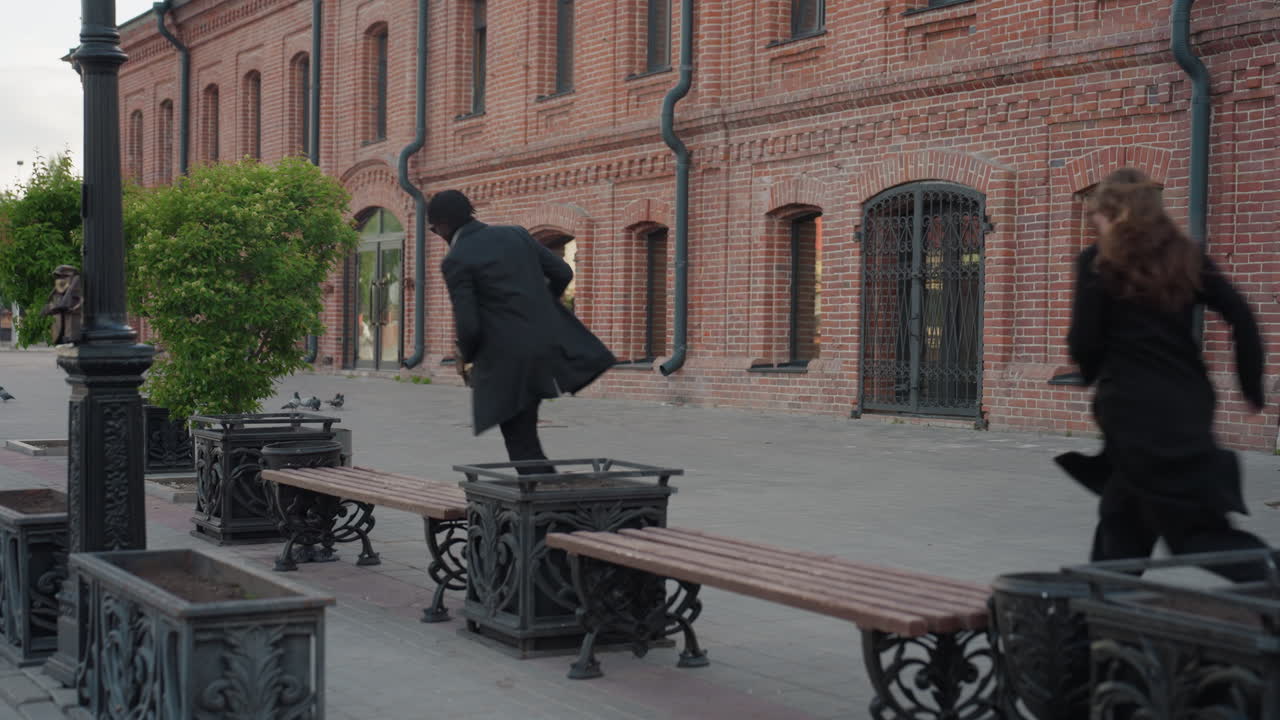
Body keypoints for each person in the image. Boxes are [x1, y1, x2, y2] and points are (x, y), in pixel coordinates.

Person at [1057, 168, 1271, 582]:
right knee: (1122, 520)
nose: (1094, 223)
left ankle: (1101, 613)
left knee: (1196, 534)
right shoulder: (1186, 257)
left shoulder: (1099, 262)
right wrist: (1251, 386)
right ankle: (1099, 620)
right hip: (1187, 403)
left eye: (1096, 215)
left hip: (1133, 410)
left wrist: (1088, 371)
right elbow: (1242, 316)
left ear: (1112, 214)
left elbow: (1084, 339)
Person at [428, 190, 616, 474]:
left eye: (433, 229)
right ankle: (552, 502)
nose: (436, 234)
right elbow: (563, 272)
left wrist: (465, 357)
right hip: (545, 348)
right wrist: (539, 310)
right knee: (526, 439)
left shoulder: (457, 259)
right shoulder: (515, 234)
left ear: (442, 225)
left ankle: (552, 508)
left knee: (521, 444)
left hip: (507, 361)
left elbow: (469, 326)